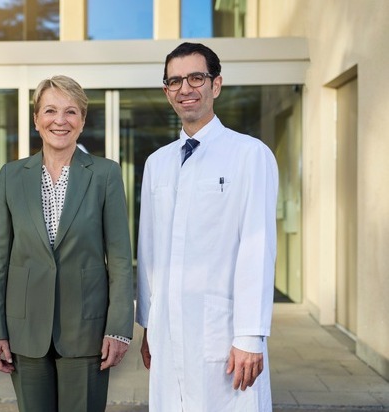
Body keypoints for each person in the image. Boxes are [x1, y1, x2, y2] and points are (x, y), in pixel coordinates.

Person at [136, 42, 278, 411]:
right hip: (167, 329)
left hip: (223, 330)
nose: (185, 88)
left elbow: (257, 247)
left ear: (216, 84)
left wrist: (250, 335)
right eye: (175, 81)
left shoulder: (249, 154)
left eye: (196, 78)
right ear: (166, 91)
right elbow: (149, 251)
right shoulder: (156, 163)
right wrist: (149, 324)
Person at [0, 75, 134, 412]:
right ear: (36, 119)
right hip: (25, 330)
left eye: (70, 111)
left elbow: (120, 260)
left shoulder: (106, 175)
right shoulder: (11, 176)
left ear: (82, 120)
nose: (60, 120)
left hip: (87, 330)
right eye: (50, 110)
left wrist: (118, 328)